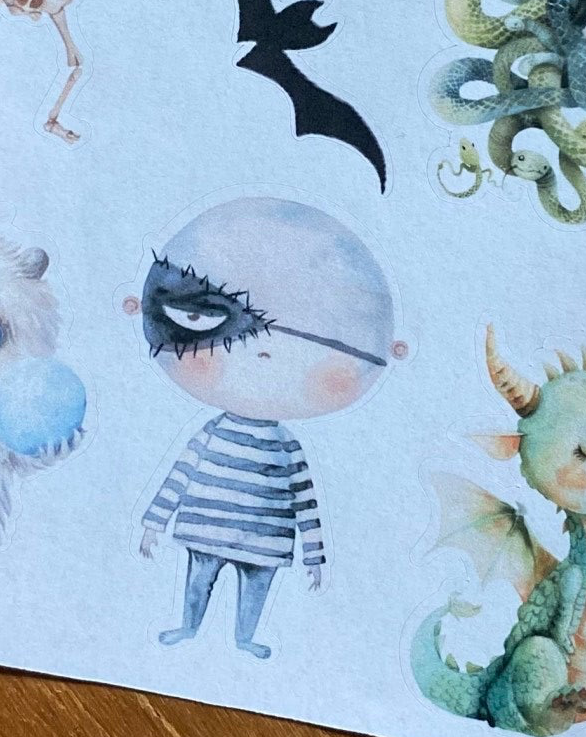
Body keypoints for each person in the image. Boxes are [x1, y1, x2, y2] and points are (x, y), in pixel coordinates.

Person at [131, 197, 403, 658]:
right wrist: (153, 523)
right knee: (198, 579)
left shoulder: (287, 447)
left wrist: (315, 555)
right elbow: (179, 477)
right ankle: (188, 627)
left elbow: (305, 501)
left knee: (256, 588)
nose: (264, 352)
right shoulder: (212, 434)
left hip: (267, 541)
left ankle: (245, 637)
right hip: (206, 530)